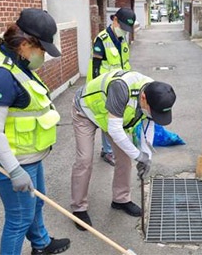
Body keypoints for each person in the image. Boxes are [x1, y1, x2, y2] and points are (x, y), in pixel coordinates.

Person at [0, 8, 70, 254]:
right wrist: (15, 170)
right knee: (18, 219)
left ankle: (41, 244)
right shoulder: (1, 76)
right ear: (27, 43)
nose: (43, 55)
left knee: (36, 203)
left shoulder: (17, 61)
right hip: (12, 161)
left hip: (29, 155)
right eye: (42, 49)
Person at [70, 69, 176, 231]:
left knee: (125, 158)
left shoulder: (156, 93)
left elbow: (148, 126)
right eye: (152, 111)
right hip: (86, 111)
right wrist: (138, 155)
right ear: (143, 98)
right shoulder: (121, 88)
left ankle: (120, 199)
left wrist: (146, 156)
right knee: (84, 159)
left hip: (112, 116)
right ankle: (79, 208)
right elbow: (115, 130)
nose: (152, 114)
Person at [86, 7, 137, 166]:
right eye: (122, 27)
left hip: (120, 85)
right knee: (107, 118)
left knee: (117, 117)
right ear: (115, 20)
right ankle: (107, 151)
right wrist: (97, 90)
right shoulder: (101, 39)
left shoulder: (122, 40)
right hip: (105, 87)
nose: (124, 31)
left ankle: (113, 147)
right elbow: (95, 67)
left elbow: (125, 63)